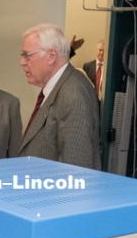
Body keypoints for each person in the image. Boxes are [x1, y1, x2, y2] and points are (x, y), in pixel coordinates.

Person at [18, 23, 101, 170]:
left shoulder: (73, 94)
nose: (22, 62)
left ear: (51, 57)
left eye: (27, 55)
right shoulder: (58, 87)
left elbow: (75, 169)